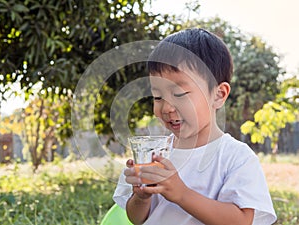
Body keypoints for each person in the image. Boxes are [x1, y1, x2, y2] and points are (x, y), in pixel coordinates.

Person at [113, 28, 277, 225]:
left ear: (218, 95)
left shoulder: (236, 157)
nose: (166, 107)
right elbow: (136, 218)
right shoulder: (154, 153)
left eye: (180, 94)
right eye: (157, 97)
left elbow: (241, 220)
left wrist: (182, 194)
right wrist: (141, 197)